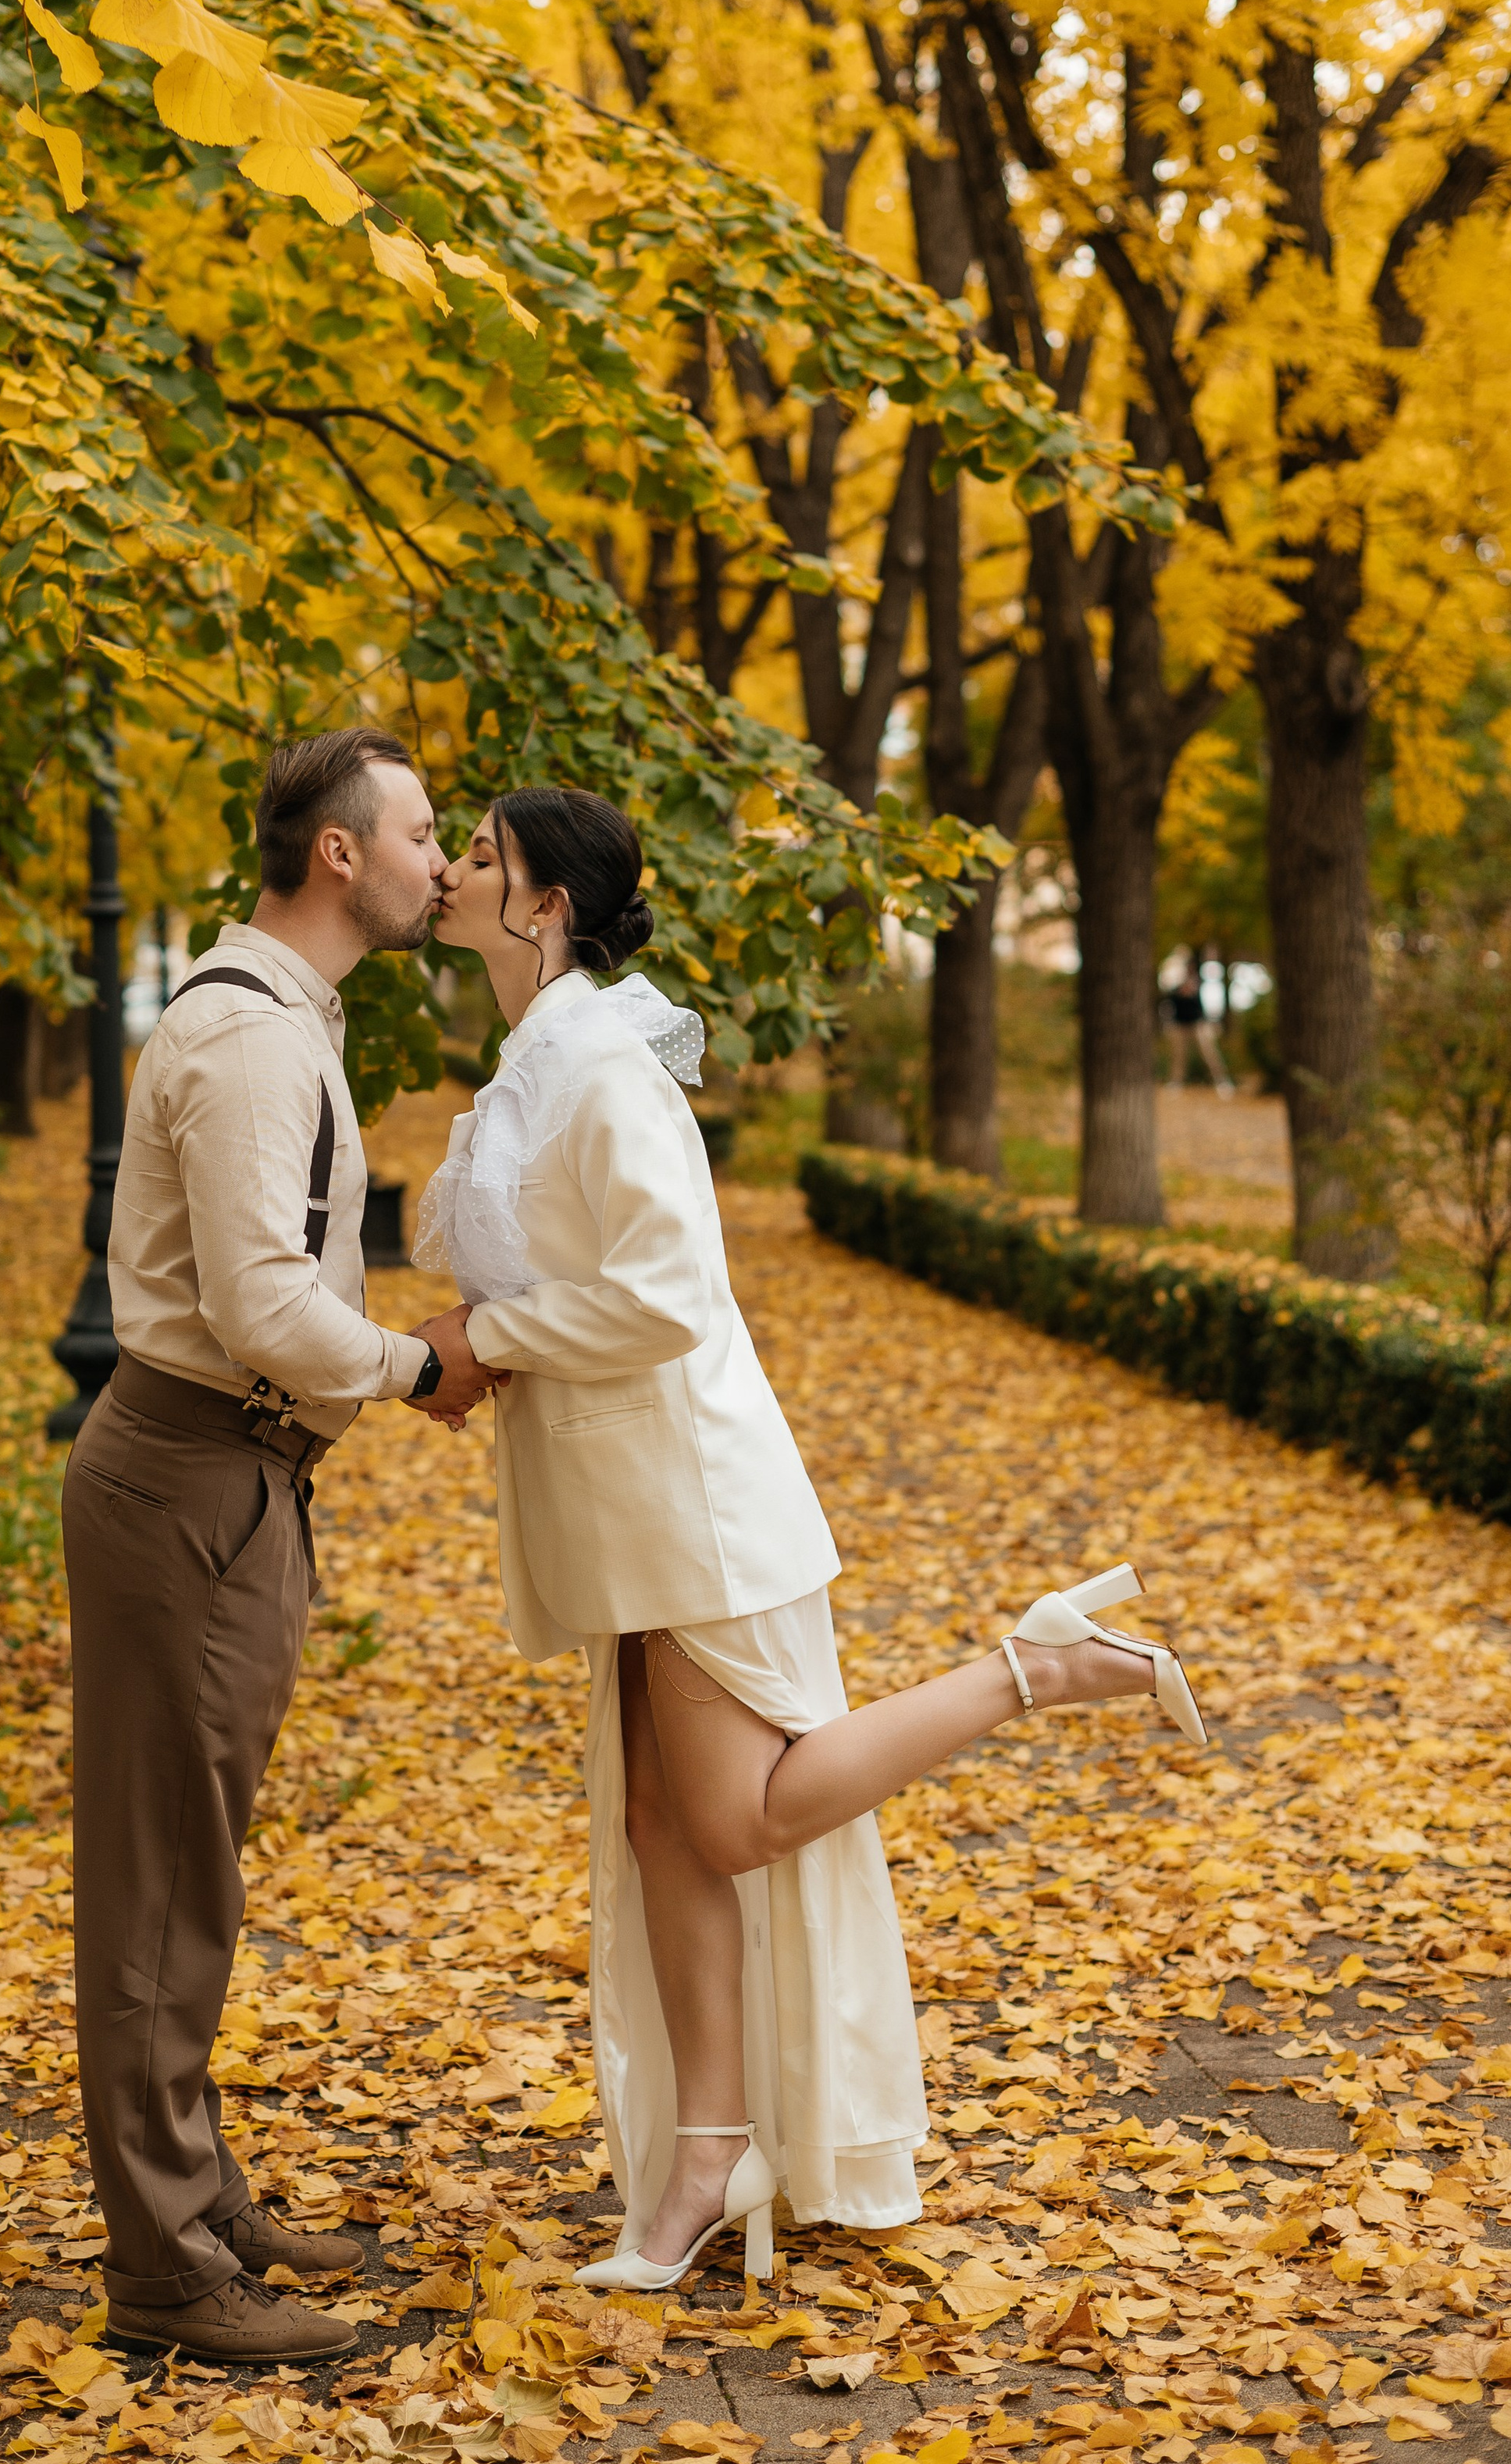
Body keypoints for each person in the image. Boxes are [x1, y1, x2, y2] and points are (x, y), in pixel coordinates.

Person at [412, 787, 1206, 2291]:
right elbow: (541, 1268)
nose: (450, 871)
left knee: (738, 1820)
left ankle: (1032, 1667)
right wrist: (485, 1347)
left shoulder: (602, 1068)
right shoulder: (540, 1056)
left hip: (692, 1502)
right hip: (624, 1519)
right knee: (665, 1838)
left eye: (481, 856)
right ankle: (709, 2153)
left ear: (544, 905)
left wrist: (493, 1332)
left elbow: (666, 1294)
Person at [60, 730, 495, 2368]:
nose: (438, 859)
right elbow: (256, 1305)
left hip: (231, 1480)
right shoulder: (249, 1043)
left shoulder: (280, 1021)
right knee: (160, 1880)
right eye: (419, 832)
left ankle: (195, 2194)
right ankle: (165, 2267)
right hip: (190, 1477)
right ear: (337, 855)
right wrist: (414, 1368)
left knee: (191, 1867)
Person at [1166, 954, 1235, 1096]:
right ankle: (1176, 1082)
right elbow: (1170, 999)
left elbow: (1204, 1001)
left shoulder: (1201, 982)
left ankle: (1221, 1081)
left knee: (1209, 1053)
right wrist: (1180, 992)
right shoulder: (1177, 984)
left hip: (1198, 1023)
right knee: (1179, 1056)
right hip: (1181, 1024)